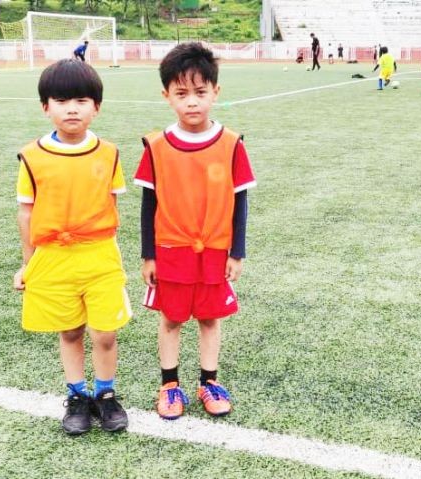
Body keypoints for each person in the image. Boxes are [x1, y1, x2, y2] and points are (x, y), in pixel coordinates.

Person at [134, 43, 256, 420]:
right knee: (170, 318)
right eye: (181, 94)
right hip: (171, 251)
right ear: (166, 96)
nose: (192, 102)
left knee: (209, 317)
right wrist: (148, 255)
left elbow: (240, 202)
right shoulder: (156, 146)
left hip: (216, 251)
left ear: (215, 92)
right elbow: (148, 204)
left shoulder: (231, 143)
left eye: (200, 93)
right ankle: (169, 385)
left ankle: (208, 381)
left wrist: (237, 252)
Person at [14, 58, 130, 435]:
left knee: (105, 332)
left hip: (99, 255)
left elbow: (112, 207)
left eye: (81, 100)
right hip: (54, 258)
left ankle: (106, 394)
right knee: (69, 331)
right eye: (61, 100)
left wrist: (110, 253)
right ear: (45, 107)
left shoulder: (109, 153)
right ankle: (78, 396)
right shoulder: (32, 156)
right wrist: (27, 264)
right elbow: (27, 214)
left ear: (96, 107)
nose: (72, 108)